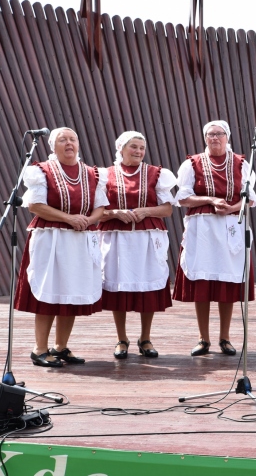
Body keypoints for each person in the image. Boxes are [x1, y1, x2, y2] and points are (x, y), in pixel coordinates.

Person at [14, 127, 108, 367]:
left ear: (78, 144)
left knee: (71, 293)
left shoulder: (92, 173)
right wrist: (69, 218)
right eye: (62, 140)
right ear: (52, 146)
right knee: (49, 291)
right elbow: (35, 205)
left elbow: (100, 207)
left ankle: (61, 347)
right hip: (52, 237)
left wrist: (88, 219)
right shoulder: (42, 171)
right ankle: (39, 349)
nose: (69, 143)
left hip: (79, 239)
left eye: (73, 139)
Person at [173, 120, 256, 357]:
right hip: (203, 230)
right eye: (210, 135)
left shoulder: (241, 163)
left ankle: (225, 337)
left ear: (227, 137)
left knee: (227, 283)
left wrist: (231, 208)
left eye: (219, 134)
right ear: (205, 138)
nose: (215, 138)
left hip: (230, 227)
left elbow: (250, 198)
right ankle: (203, 338)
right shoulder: (192, 164)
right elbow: (183, 198)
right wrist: (210, 200)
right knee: (203, 283)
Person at [98, 131, 177, 359]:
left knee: (148, 287)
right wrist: (115, 213)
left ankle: (145, 338)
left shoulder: (156, 174)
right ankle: (122, 339)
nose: (139, 152)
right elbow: (97, 212)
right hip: (117, 237)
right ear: (121, 148)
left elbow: (168, 209)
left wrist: (145, 211)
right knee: (118, 286)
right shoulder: (106, 176)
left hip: (146, 238)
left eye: (142, 148)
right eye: (134, 147)